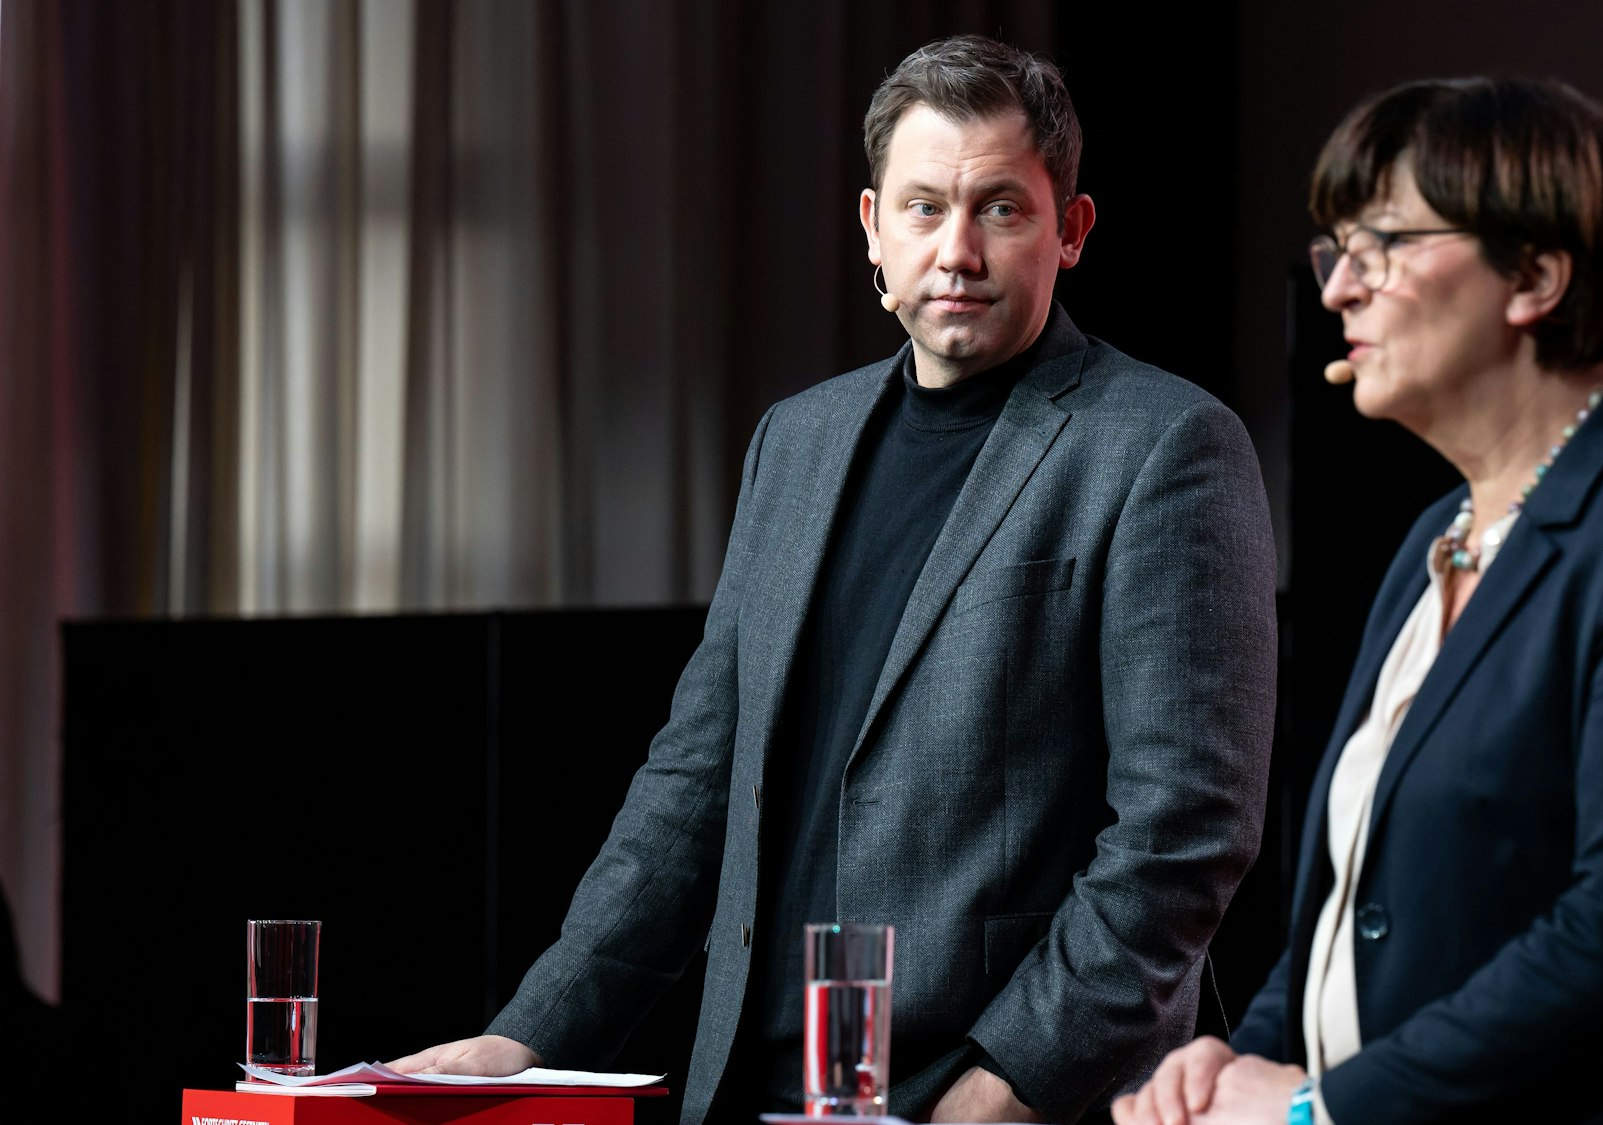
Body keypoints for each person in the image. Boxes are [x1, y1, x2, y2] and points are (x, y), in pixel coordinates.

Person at [390, 35, 1277, 1125]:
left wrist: (1005, 1087)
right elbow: (695, 785)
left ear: (1071, 230)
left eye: (1000, 209)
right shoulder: (795, 442)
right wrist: (530, 1037)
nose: (956, 251)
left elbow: (1182, 834)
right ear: (870, 229)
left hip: (1002, 1097)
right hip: (768, 1090)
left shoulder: (1165, 444)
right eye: (921, 209)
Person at [1114, 78, 1603, 1124]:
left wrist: (1319, 1112)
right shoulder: (1437, 537)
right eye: (1337, 251)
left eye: (1386, 245)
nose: (1337, 290)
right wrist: (1239, 1061)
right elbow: (1355, 908)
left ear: (1534, 275)